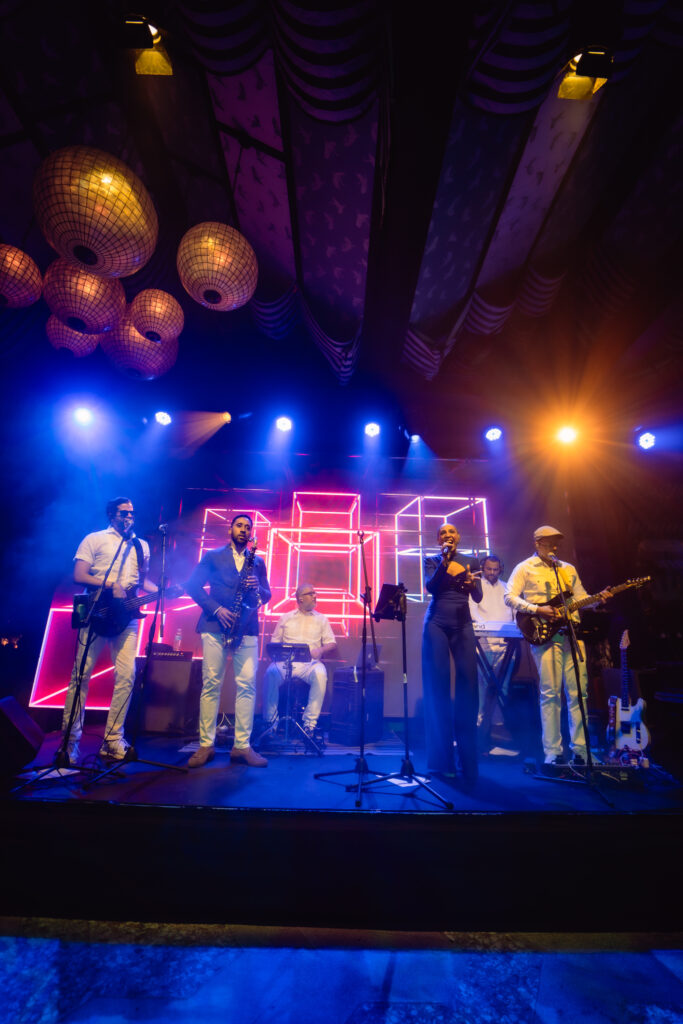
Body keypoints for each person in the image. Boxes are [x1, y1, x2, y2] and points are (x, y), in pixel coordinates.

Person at [505, 525, 611, 765]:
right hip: (545, 635)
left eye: (557, 542)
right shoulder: (524, 567)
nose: (554, 546)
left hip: (572, 633)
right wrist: (537, 609)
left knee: (579, 694)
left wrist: (596, 600)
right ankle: (553, 751)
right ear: (537, 543)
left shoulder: (567, 569)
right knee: (551, 693)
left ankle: (581, 750)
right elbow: (509, 596)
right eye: (549, 542)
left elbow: (581, 597)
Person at [61, 497, 158, 762]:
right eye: (124, 512)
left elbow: (143, 580)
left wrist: (160, 591)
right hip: (96, 611)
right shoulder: (94, 539)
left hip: (127, 616)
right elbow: (79, 575)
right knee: (80, 676)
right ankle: (70, 744)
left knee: (127, 675)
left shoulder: (142, 546)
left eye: (132, 513)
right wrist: (108, 584)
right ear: (111, 514)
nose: (129, 517)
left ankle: (113, 739)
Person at [185, 513, 271, 768]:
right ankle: (205, 745)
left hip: (247, 627)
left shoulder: (258, 562)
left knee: (247, 685)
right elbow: (192, 586)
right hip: (215, 625)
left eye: (248, 527)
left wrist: (258, 588)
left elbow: (266, 595)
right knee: (212, 684)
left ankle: (242, 746)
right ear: (230, 529)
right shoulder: (212, 556)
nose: (244, 530)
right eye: (239, 525)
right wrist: (216, 609)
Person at [421, 522, 483, 782]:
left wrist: (470, 584)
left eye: (452, 532)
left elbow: (478, 596)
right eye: (443, 533)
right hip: (436, 623)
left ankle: (467, 760)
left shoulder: (471, 560)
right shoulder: (432, 560)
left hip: (462, 623)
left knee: (469, 685)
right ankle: (441, 760)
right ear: (439, 540)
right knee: (439, 687)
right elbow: (431, 588)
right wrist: (445, 562)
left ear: (459, 536)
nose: (448, 535)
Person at [262, 583, 336, 739]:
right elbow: (274, 642)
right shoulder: (286, 617)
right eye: (311, 593)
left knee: (321, 674)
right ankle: (271, 724)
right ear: (300, 598)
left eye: (315, 593)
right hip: (286, 662)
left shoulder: (321, 619)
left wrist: (320, 650)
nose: (315, 596)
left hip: (310, 664)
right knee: (270, 673)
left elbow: (332, 642)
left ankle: (309, 725)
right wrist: (279, 653)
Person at [468, 554, 518, 752]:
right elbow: (473, 610)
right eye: (488, 569)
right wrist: (485, 628)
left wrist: (512, 629)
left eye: (495, 569)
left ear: (500, 569)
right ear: (483, 568)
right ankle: (481, 724)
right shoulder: (476, 585)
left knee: (502, 686)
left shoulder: (508, 588)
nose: (491, 573)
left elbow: (515, 612)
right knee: (483, 685)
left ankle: (497, 726)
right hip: (483, 642)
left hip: (506, 643)